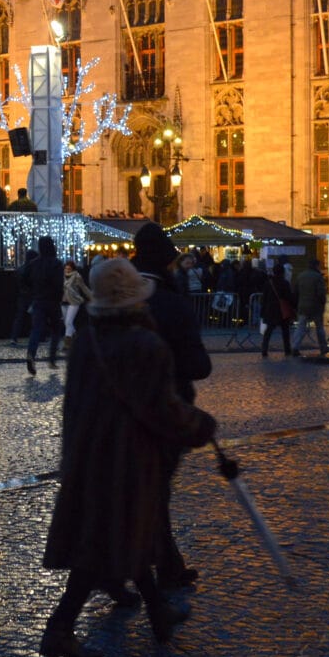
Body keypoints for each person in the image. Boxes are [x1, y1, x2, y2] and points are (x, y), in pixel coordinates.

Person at [40, 258, 216, 657]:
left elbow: (74, 406)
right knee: (106, 544)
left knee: (136, 533)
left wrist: (73, 459)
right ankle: (60, 629)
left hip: (90, 459)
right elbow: (163, 409)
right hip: (129, 462)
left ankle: (157, 612)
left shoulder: (87, 340)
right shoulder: (144, 345)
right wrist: (199, 425)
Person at [131, 222, 211, 592]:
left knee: (143, 492)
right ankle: (154, 572)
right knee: (153, 492)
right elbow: (198, 366)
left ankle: (165, 567)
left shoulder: (115, 301)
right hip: (165, 414)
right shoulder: (171, 303)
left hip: (120, 415)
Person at [26, 236, 65, 373]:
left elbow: (26, 280)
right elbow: (59, 285)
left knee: (36, 329)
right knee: (56, 330)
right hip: (53, 301)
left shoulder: (34, 264)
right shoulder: (56, 263)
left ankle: (31, 353)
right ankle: (52, 359)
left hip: (38, 300)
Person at [260, 260, 298, 358]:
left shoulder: (269, 283)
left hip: (271, 309)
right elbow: (288, 296)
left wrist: (263, 310)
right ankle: (287, 350)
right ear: (283, 272)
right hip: (282, 310)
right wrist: (294, 306)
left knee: (269, 331)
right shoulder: (285, 283)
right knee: (285, 331)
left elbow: (264, 298)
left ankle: (264, 349)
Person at [294, 260, 329, 357]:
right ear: (316, 266)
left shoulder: (301, 276)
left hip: (302, 306)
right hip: (315, 307)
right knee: (319, 328)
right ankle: (323, 347)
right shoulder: (318, 277)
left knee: (300, 328)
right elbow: (321, 293)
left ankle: (295, 347)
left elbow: (296, 292)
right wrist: (323, 303)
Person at [9, 244, 36, 346]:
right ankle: (36, 336)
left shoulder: (20, 269)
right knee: (35, 317)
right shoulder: (34, 269)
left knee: (19, 318)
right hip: (32, 296)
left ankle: (14, 337)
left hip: (22, 296)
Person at [61, 260, 89, 350]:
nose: (67, 270)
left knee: (69, 321)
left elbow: (84, 288)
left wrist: (92, 297)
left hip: (74, 301)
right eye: (66, 268)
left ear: (72, 269)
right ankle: (77, 339)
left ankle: (67, 343)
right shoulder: (62, 277)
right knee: (67, 323)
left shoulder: (77, 276)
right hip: (63, 301)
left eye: (69, 269)